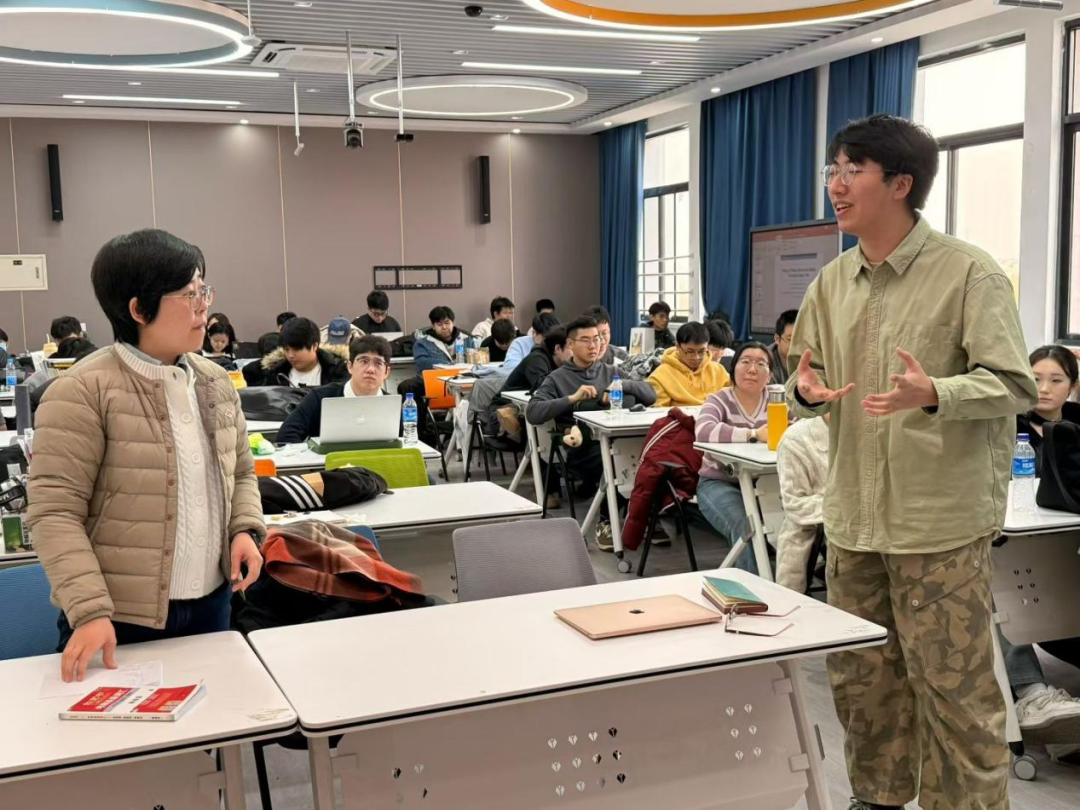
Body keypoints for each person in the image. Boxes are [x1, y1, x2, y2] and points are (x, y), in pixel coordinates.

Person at [789, 114, 1036, 810]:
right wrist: (804, 392)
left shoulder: (969, 273)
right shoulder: (831, 282)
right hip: (853, 521)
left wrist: (937, 392)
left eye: (852, 171)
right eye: (832, 170)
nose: (836, 185)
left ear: (901, 184)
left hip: (938, 527)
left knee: (955, 691)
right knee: (862, 683)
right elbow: (804, 376)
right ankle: (877, 798)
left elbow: (1015, 386)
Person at [26, 228, 264, 682]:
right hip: (116, 618)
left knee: (215, 720)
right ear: (139, 309)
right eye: (189, 294)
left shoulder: (215, 381)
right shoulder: (81, 391)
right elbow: (54, 514)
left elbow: (241, 472)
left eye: (204, 291)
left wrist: (244, 529)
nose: (204, 307)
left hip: (213, 604)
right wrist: (89, 610)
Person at [1002, 345, 1080, 739]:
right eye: (1034, 380)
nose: (1044, 388)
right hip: (1020, 544)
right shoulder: (1005, 426)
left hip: (1070, 543)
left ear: (1072, 386)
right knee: (997, 591)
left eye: (1056, 380)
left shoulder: (1077, 425)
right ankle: (1032, 693)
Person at [527, 316, 656, 549]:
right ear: (570, 344)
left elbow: (650, 395)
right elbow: (533, 412)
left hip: (619, 441)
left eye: (596, 339)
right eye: (585, 340)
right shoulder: (557, 378)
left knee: (650, 459)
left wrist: (621, 384)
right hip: (581, 449)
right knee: (615, 460)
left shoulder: (611, 371)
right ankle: (607, 522)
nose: (593, 345)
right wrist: (571, 399)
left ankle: (641, 519)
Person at [694, 342, 774, 573]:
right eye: (745, 361)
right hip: (719, 482)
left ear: (769, 375)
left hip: (768, 484)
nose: (752, 369)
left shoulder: (778, 400)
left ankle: (794, 584)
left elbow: (800, 428)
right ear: (733, 369)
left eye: (761, 364)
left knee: (802, 519)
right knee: (745, 525)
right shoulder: (719, 400)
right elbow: (704, 431)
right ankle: (755, 586)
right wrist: (753, 434)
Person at [276, 336, 393, 444]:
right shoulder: (320, 397)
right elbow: (286, 435)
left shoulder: (394, 405)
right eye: (363, 361)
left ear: (387, 372)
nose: (370, 369)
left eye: (378, 363)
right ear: (350, 366)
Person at [775, 414, 830, 593]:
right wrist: (842, 505)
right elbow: (795, 504)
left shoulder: (881, 430)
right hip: (830, 525)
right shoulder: (797, 439)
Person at [245, 316, 349, 388]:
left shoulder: (339, 371)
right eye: (286, 350)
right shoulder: (275, 374)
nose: (290, 355)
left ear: (314, 346)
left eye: (297, 349)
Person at [647, 322, 730, 408]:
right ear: (677, 346)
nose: (696, 357)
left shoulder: (718, 371)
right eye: (690, 352)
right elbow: (658, 411)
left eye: (701, 351)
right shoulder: (661, 376)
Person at [413, 305, 467, 374]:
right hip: (435, 378)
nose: (444, 327)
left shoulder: (466, 339)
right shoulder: (422, 343)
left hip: (465, 377)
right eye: (439, 324)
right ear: (433, 326)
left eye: (447, 323)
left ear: (453, 323)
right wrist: (449, 365)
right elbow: (421, 363)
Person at [769, 309, 798, 385]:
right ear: (777, 339)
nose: (796, 345)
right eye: (790, 339)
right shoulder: (765, 362)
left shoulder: (813, 357)